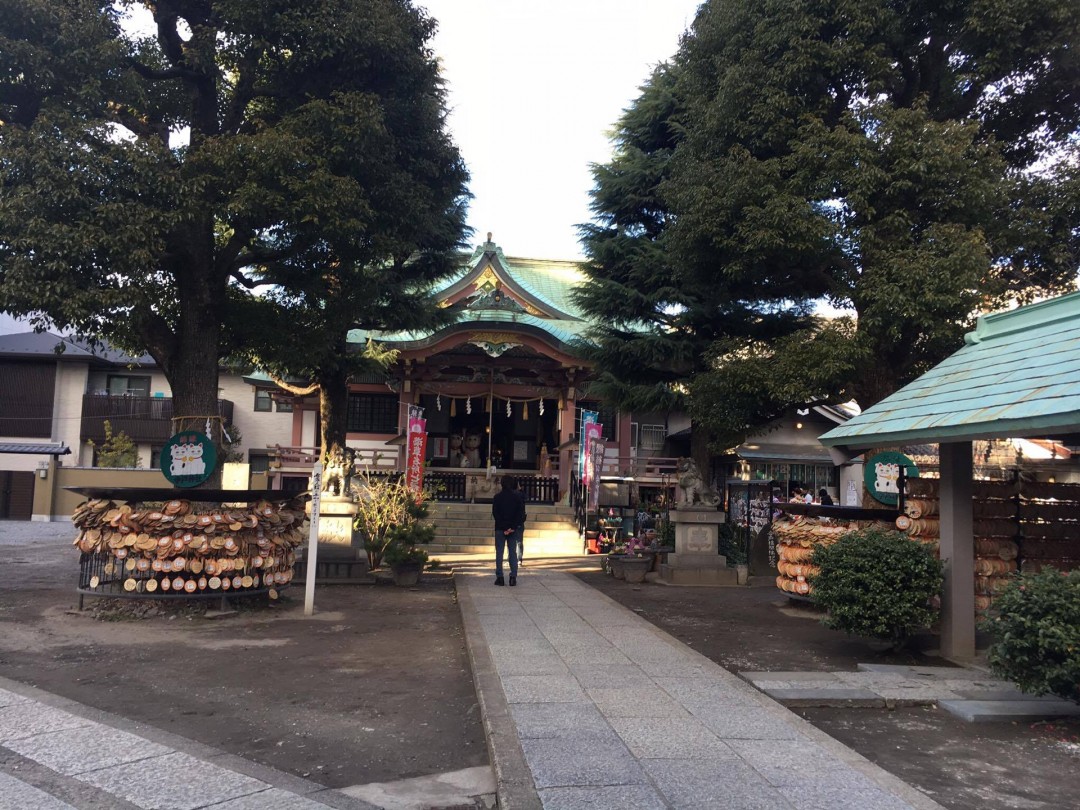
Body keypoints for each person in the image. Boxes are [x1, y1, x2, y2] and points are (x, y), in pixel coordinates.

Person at [492, 476, 525, 586]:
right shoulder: (517, 497)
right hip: (513, 529)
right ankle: (513, 576)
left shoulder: (497, 497)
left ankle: (500, 577)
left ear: (501, 484)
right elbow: (520, 514)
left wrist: (504, 527)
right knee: (512, 552)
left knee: (499, 553)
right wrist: (512, 527)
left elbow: (496, 514)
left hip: (500, 528)